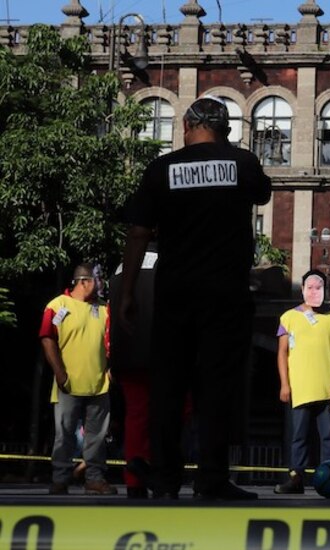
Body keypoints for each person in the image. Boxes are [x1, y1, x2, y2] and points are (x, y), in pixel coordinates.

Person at [121, 96, 271, 500]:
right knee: (218, 387)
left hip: (175, 294)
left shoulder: (160, 169)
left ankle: (166, 479)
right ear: (225, 129)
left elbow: (138, 233)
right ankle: (211, 479)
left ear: (186, 125)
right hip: (225, 294)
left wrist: (128, 292)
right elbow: (262, 195)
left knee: (168, 386)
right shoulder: (242, 164)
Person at [40, 264, 116, 496]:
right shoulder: (57, 306)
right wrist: (60, 372)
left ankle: (94, 478)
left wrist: (111, 369)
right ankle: (60, 479)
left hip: (99, 384)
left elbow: (114, 342)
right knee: (64, 434)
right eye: (97, 279)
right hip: (68, 384)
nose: (101, 283)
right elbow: (47, 338)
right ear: (83, 281)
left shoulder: (104, 309)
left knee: (97, 437)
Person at [274, 270, 330, 494]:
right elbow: (282, 352)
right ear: (303, 290)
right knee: (298, 436)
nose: (314, 292)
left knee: (329, 437)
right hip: (299, 389)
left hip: (327, 390)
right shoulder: (288, 317)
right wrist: (284, 384)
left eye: (319, 288)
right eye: (310, 287)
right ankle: (295, 478)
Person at [108, 242, 158, 499]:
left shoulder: (119, 269)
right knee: (176, 410)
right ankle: (154, 467)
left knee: (135, 415)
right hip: (159, 351)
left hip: (126, 353)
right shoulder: (167, 263)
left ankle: (134, 479)